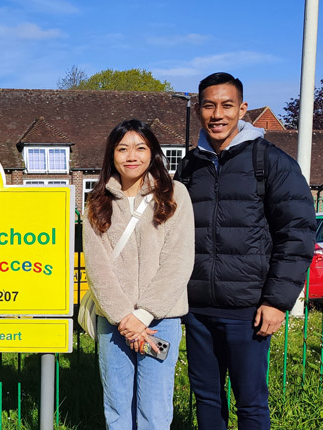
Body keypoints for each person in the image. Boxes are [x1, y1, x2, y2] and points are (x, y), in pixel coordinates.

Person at [176, 72, 315, 430]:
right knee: (206, 398)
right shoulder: (190, 167)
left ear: (242, 108)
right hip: (198, 309)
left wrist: (277, 301)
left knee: (251, 403)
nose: (217, 114)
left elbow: (296, 234)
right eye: (209, 105)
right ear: (199, 109)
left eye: (226, 105)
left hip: (249, 309)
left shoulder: (270, 162)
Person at [83, 119, 194, 429]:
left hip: (161, 321)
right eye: (123, 148)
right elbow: (97, 266)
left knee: (155, 410)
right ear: (111, 155)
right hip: (113, 322)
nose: (131, 156)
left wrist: (143, 316)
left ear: (153, 153)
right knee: (116, 406)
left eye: (140, 148)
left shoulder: (175, 195)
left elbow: (179, 259)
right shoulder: (97, 202)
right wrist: (124, 318)